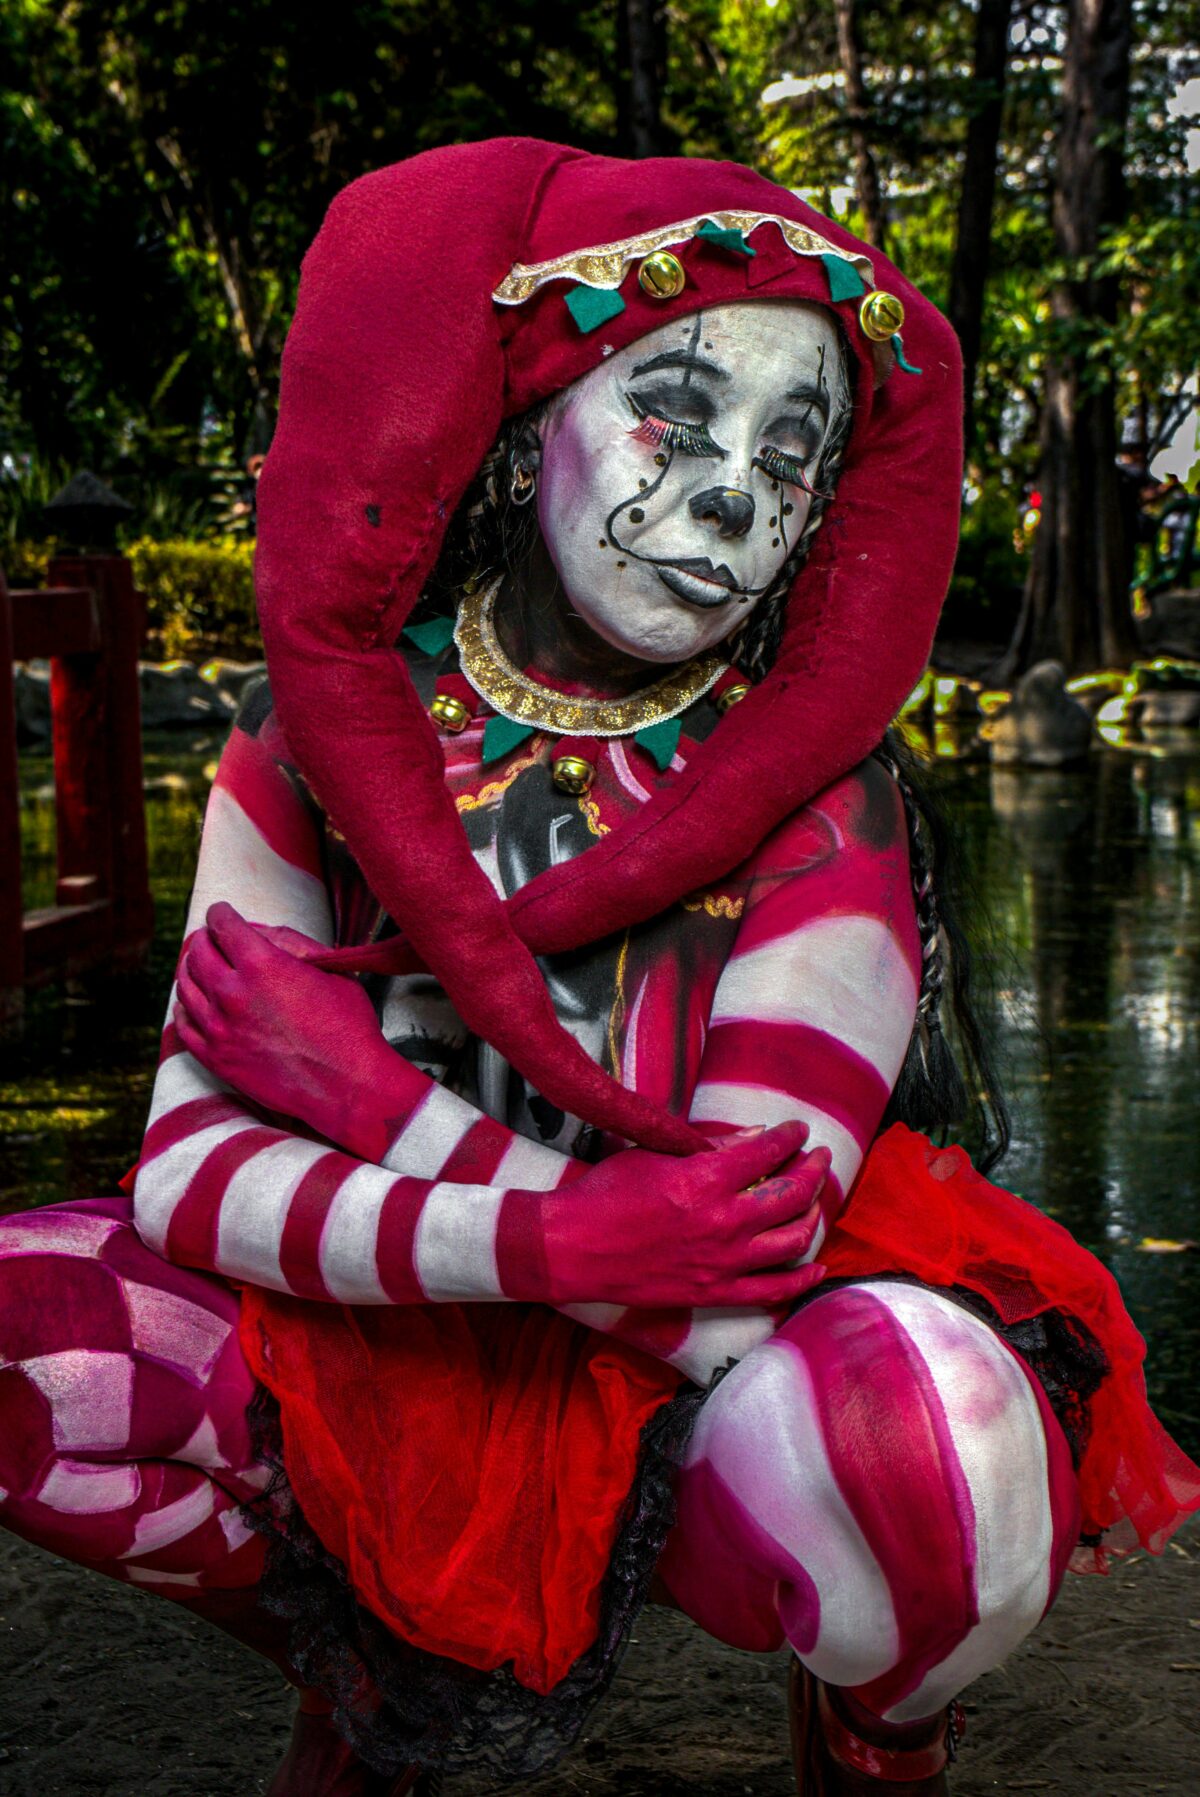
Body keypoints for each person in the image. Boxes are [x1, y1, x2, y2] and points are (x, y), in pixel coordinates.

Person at [2, 140, 1197, 1797]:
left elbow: (723, 1297)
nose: (733, 492)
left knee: (939, 1450)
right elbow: (191, 1176)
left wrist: (363, 1097)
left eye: (793, 456)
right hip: (393, 1341)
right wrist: (574, 1226)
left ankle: (879, 1729)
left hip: (697, 1399)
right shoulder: (312, 743)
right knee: (28, 1335)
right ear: (530, 424)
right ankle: (365, 1669)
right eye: (678, 408)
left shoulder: (822, 803)